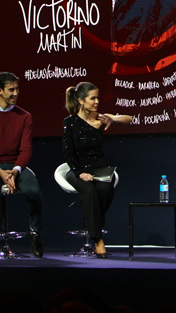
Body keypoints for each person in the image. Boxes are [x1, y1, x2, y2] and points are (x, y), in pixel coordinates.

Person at [0, 72, 44, 259]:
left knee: (34, 190)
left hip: (15, 166)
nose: (15, 93)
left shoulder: (25, 116)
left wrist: (15, 170)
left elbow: (26, 150)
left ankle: (35, 232)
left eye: (17, 89)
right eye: (11, 89)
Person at [63, 81, 133, 258]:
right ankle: (97, 239)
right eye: (92, 98)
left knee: (106, 189)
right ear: (80, 100)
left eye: (97, 98)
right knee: (89, 191)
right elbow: (69, 153)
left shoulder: (100, 119)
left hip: (99, 168)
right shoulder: (70, 123)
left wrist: (113, 118)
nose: (96, 102)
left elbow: (129, 119)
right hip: (77, 169)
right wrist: (80, 172)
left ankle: (94, 225)